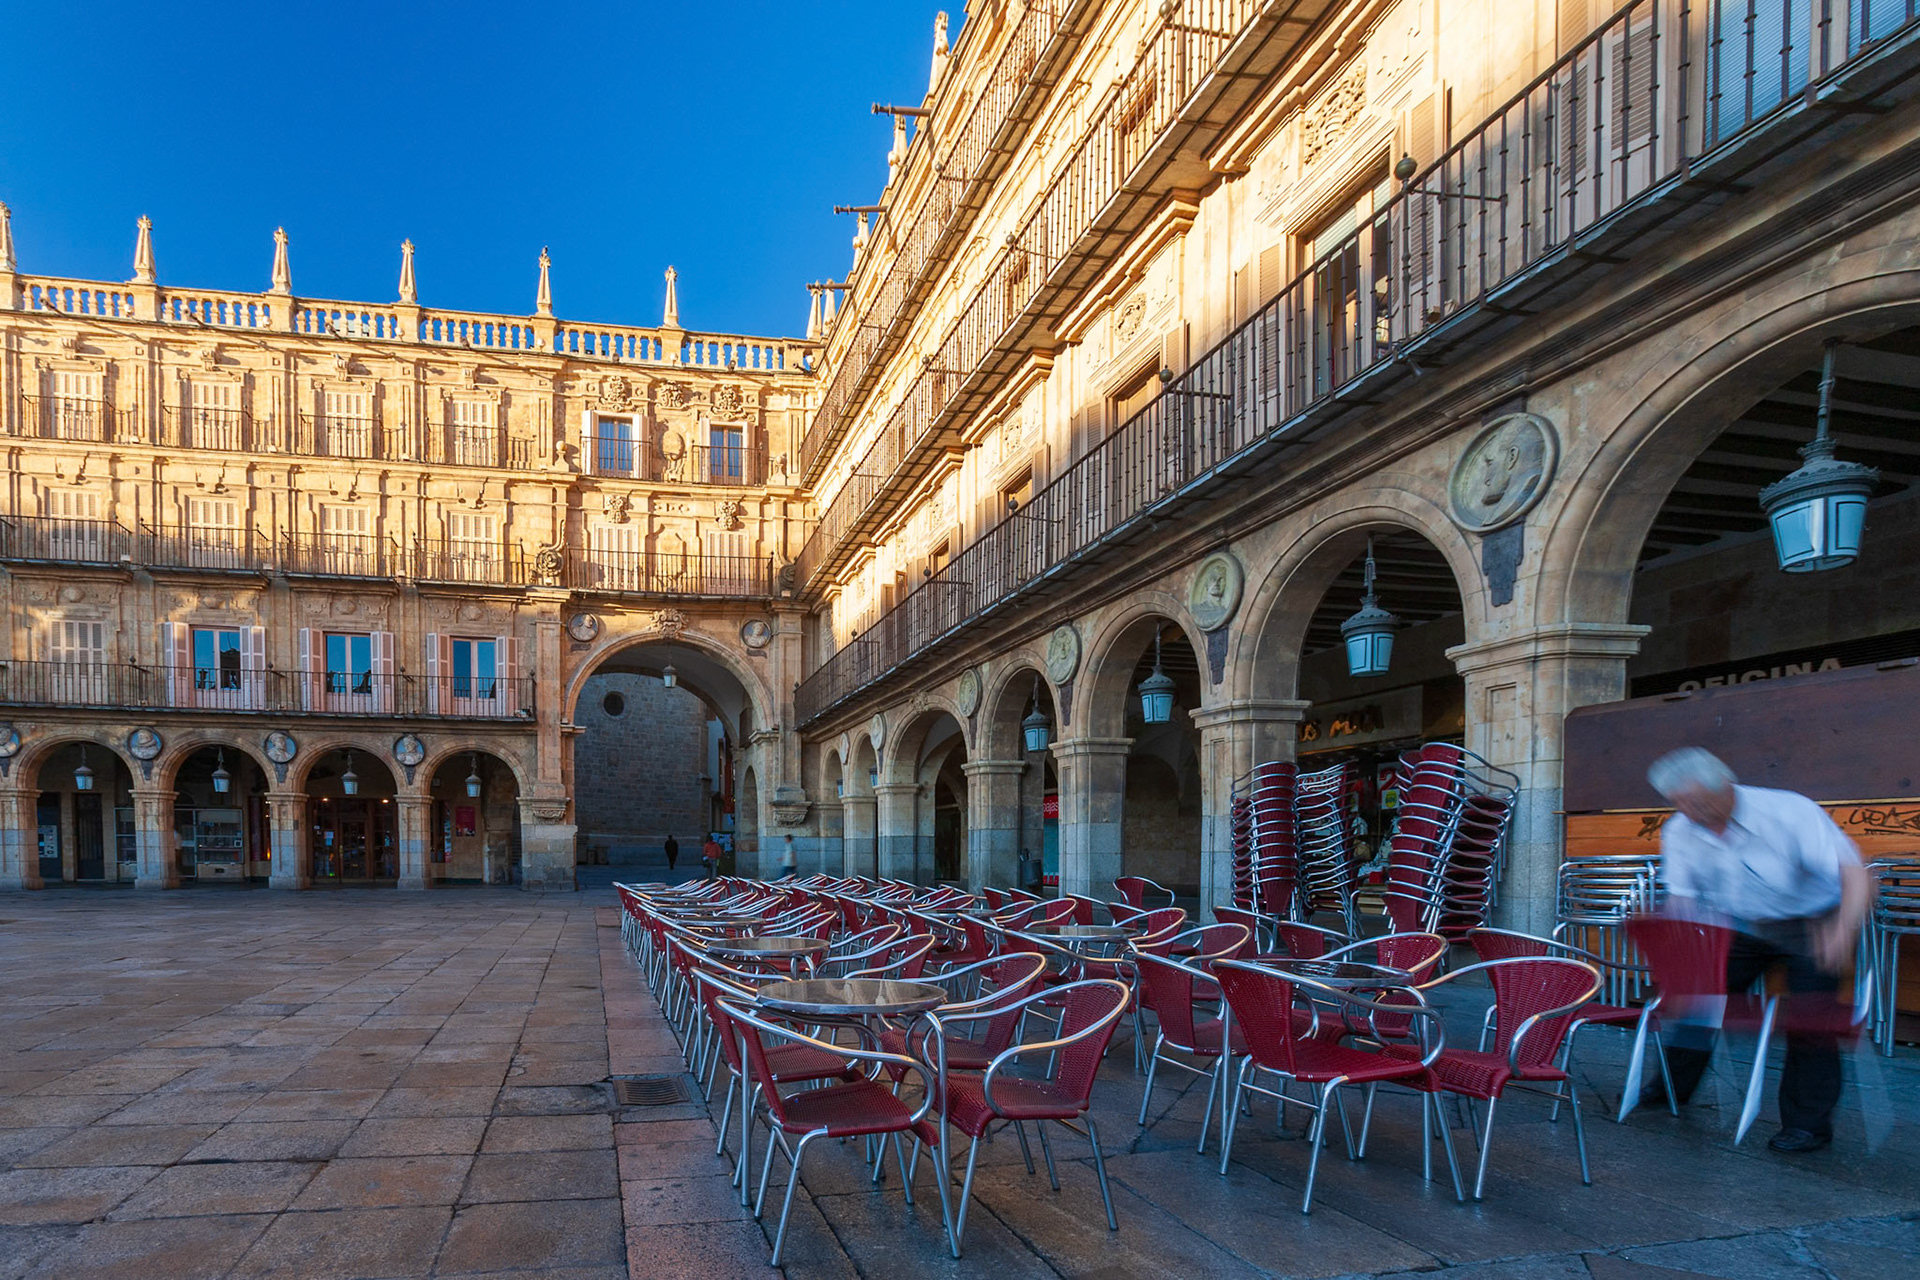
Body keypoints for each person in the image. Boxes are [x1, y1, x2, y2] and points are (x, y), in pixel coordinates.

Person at [1645, 747, 1869, 1153]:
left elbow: (1854, 873)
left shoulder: (1788, 811)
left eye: (1697, 802)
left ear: (1726, 788)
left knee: (1812, 1017)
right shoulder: (1680, 828)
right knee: (1698, 998)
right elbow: (1681, 898)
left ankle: (1807, 1126)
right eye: (1679, 803)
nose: (1689, 812)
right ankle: (1669, 1090)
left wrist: (1842, 930)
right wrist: (1681, 955)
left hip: (1813, 921)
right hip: (1745, 923)